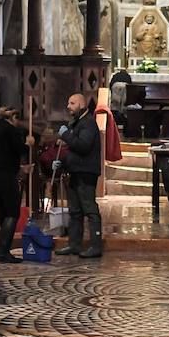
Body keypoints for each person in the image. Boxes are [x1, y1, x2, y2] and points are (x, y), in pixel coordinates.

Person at [55, 92, 103, 258]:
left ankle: (96, 246)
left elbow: (83, 146)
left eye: (72, 103)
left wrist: (65, 135)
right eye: (68, 103)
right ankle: (74, 244)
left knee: (90, 210)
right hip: (76, 171)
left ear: (82, 105)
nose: (68, 106)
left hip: (86, 173)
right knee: (75, 211)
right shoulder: (77, 123)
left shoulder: (88, 123)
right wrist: (63, 163)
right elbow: (75, 151)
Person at [0, 105, 29, 263]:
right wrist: (27, 144)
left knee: (2, 215)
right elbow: (19, 149)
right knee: (12, 213)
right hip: (5, 176)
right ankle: (4, 252)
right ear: (14, 118)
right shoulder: (9, 130)